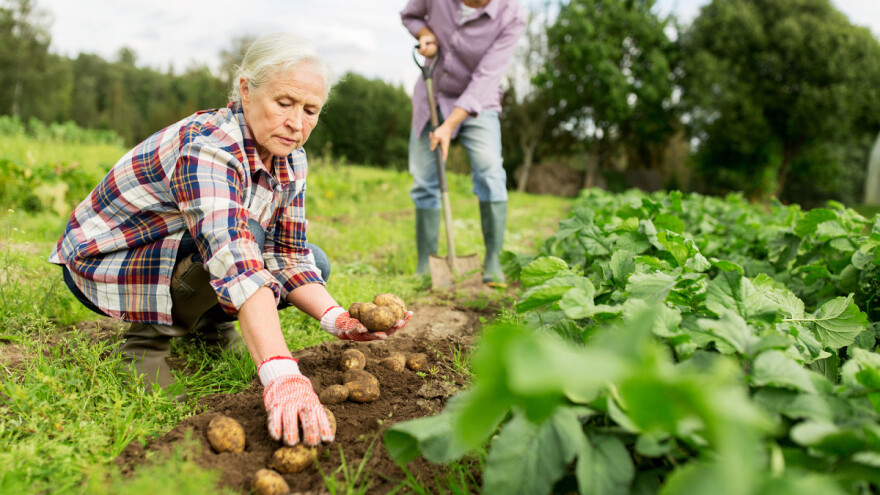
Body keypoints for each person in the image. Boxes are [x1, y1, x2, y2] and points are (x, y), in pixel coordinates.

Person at [48, 33, 412, 447]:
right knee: (247, 240)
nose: (297, 122)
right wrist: (281, 372)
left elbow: (288, 254)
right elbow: (234, 255)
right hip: (112, 261)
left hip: (180, 253)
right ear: (245, 90)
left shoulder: (291, 156)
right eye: (284, 102)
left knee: (316, 261)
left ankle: (210, 328)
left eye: (310, 110)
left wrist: (337, 320)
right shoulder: (210, 146)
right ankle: (145, 342)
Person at [401, 0, 526, 285]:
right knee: (424, 179)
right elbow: (410, 15)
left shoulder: (512, 15)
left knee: (489, 171)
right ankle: (426, 264)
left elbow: (487, 77)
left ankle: (492, 260)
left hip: (479, 102)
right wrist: (424, 33)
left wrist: (449, 125)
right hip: (432, 93)